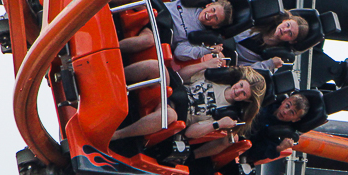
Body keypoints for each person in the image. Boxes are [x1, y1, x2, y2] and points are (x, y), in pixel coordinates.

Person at [111, 59, 265, 141]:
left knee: (168, 116)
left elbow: (190, 133)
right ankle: (112, 78)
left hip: (174, 111)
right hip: (172, 91)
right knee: (156, 67)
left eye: (243, 93)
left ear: (246, 100)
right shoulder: (220, 78)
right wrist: (204, 65)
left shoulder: (226, 114)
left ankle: (117, 135)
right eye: (241, 85)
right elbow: (181, 76)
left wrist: (216, 125)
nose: (238, 91)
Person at [162, 0, 234, 61]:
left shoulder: (198, 36)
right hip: (152, 10)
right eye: (213, 10)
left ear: (215, 26)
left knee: (148, 38)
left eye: (215, 18)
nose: (210, 15)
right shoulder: (190, 1)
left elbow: (179, 53)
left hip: (157, 32)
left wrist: (207, 50)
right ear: (209, 5)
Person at [243, 93, 310, 163]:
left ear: (295, 119)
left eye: (292, 113)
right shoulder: (268, 100)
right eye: (287, 106)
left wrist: (278, 149)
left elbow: (254, 154)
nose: (285, 111)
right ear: (284, 101)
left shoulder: (281, 133)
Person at [233, 11, 309, 70]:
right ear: (285, 20)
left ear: (292, 41)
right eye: (288, 25)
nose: (285, 30)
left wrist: (269, 64)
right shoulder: (262, 21)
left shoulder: (277, 57)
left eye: (290, 33)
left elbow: (247, 72)